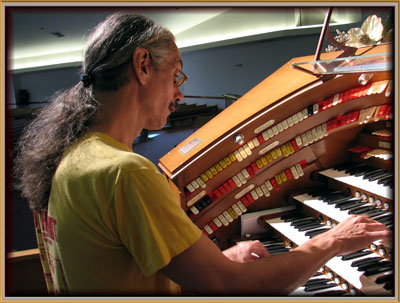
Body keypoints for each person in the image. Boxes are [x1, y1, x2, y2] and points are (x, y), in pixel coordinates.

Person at [13, 12, 392, 296]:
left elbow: (128, 269)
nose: (179, 94)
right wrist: (330, 241)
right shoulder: (123, 173)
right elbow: (228, 289)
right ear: (143, 66)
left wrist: (218, 260)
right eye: (176, 74)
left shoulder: (77, 157)